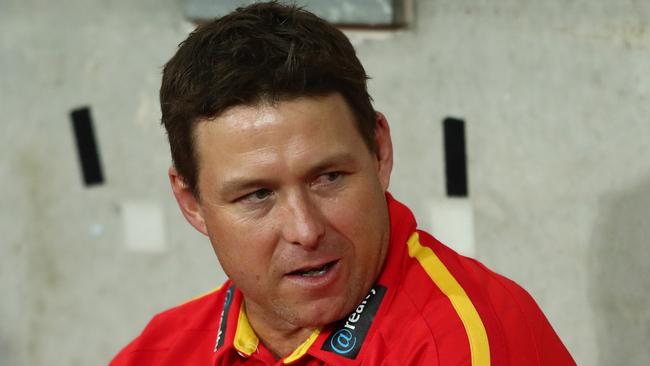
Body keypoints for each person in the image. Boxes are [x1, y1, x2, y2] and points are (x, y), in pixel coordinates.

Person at [111, 2, 576, 365]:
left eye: (328, 177)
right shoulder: (156, 352)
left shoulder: (461, 342)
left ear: (379, 152)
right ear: (191, 203)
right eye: (257, 195)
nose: (305, 229)